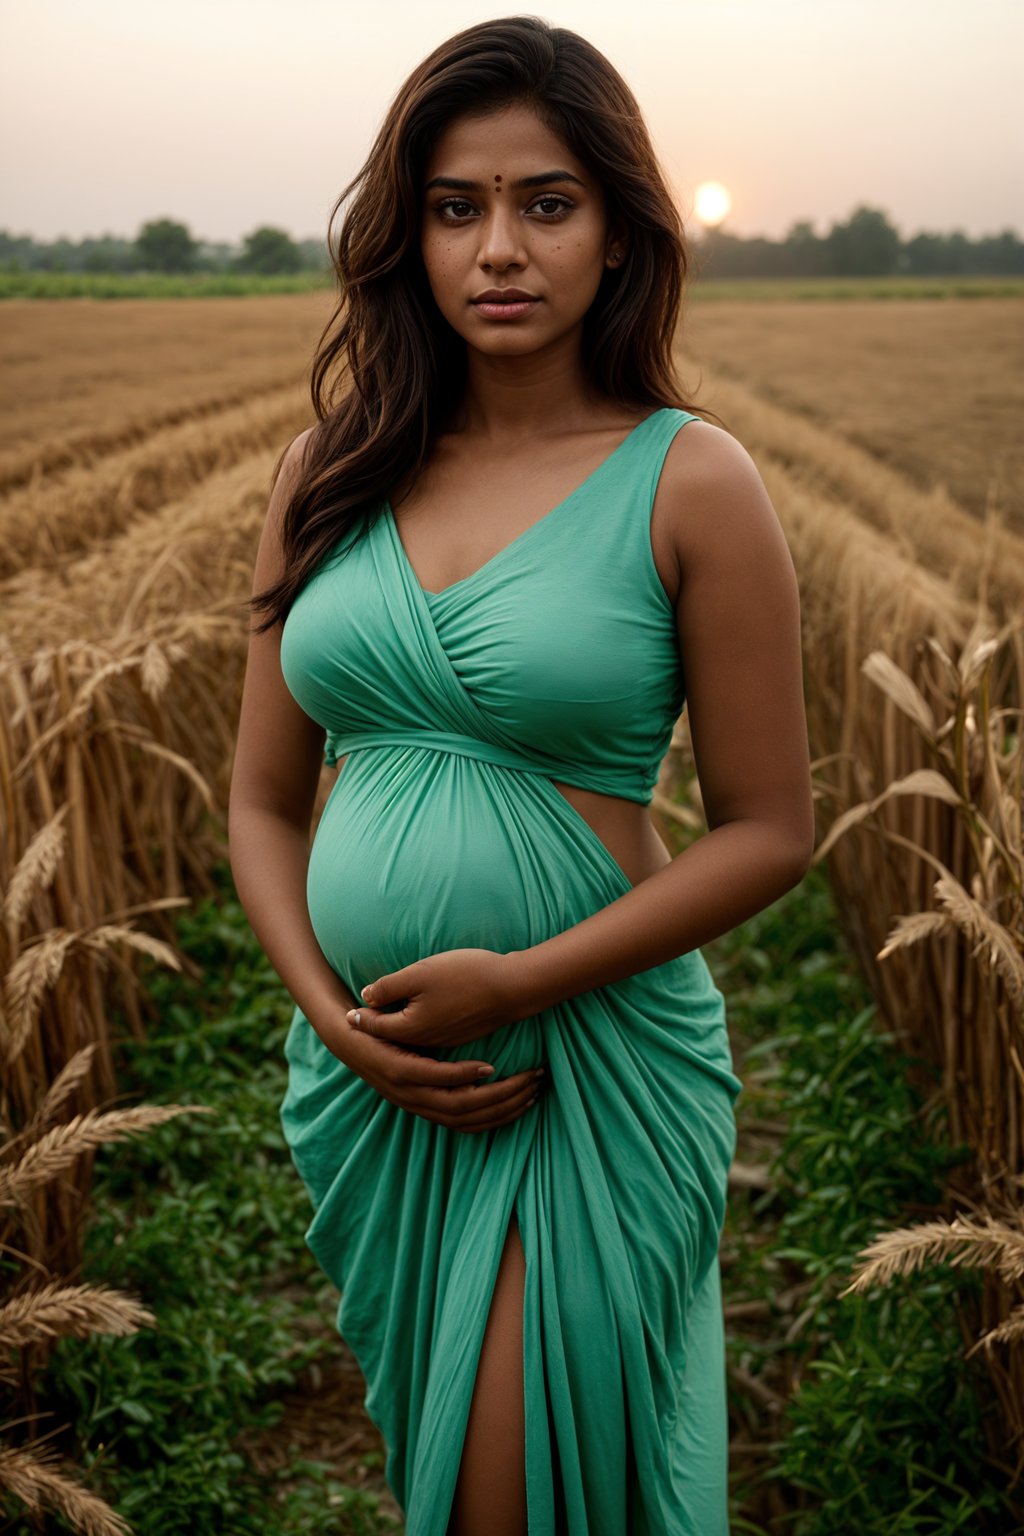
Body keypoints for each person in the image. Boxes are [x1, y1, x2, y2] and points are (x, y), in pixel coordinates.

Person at [228, 16, 814, 1536]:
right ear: (406, 233)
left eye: (547, 203)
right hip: (376, 1081)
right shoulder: (327, 476)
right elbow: (264, 799)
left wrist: (520, 985)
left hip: (583, 1061)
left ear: (619, 234)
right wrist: (329, 1018)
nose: (502, 246)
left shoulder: (692, 478)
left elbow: (770, 830)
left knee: (525, 1487)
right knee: (445, 1455)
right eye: (456, 205)